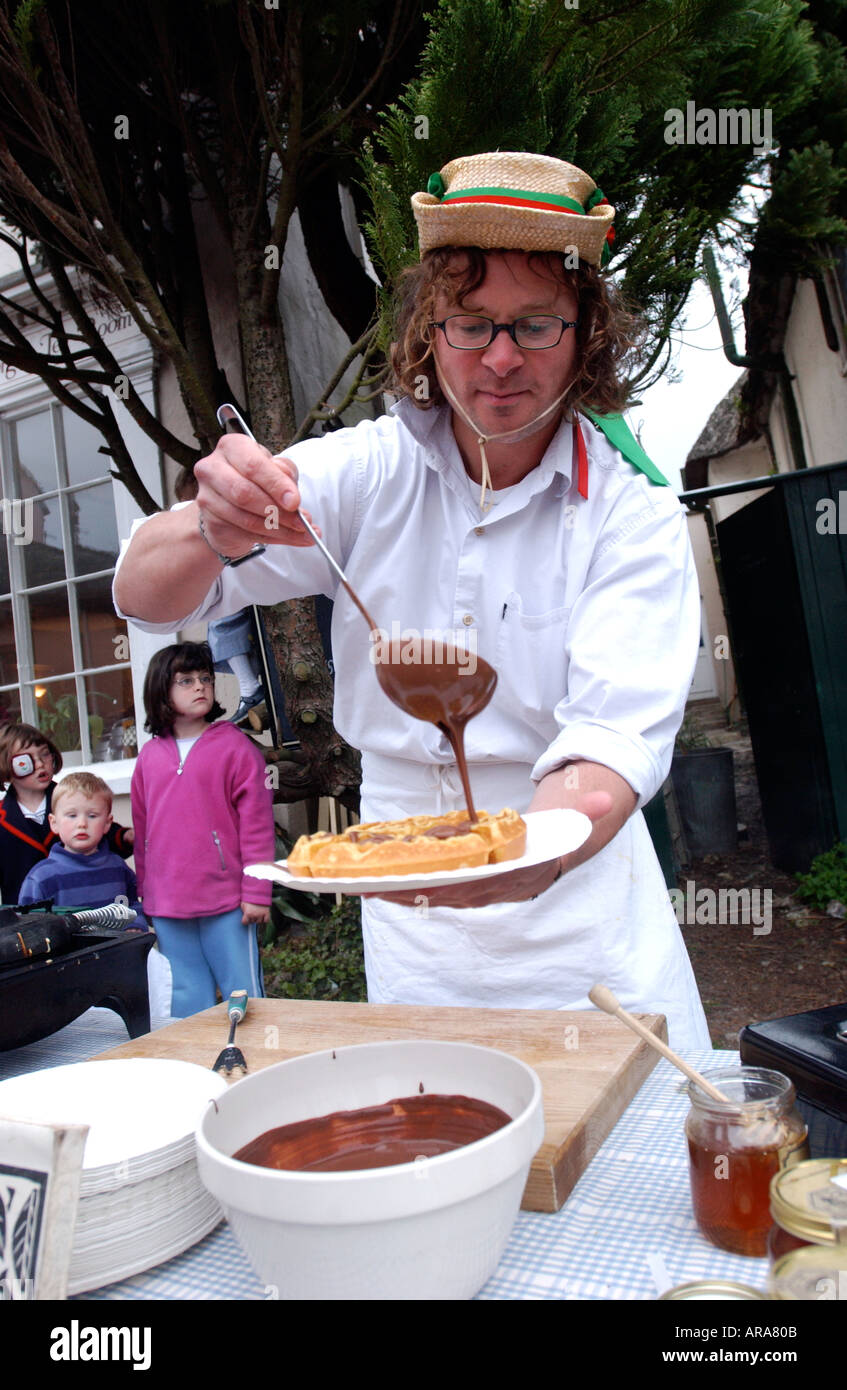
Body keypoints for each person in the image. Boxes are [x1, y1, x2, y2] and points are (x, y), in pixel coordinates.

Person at [114, 151, 710, 1049]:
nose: (501, 359)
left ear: (585, 334)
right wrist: (215, 523)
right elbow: (141, 594)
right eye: (471, 324)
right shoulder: (368, 470)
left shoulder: (630, 514)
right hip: (406, 917)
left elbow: (608, 752)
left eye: (537, 325)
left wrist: (491, 853)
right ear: (429, 333)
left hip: (587, 930)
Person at [130, 642, 275, 1016]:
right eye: (186, 680)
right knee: (184, 996)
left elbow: (257, 827)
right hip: (167, 903)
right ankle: (191, 1070)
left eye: (206, 679)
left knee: (243, 996)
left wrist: (257, 890)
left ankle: (253, 1063)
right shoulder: (149, 756)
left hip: (227, 902)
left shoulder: (236, 748)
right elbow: (143, 833)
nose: (200, 687)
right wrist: (146, 895)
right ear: (161, 691)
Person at [0, 721, 134, 905]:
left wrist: (125, 836)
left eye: (45, 754)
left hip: (78, 903)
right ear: (6, 765)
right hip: (25, 919)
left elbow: (99, 829)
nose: (40, 764)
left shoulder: (71, 796)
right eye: (26, 760)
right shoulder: (2, 819)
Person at [17, 771, 145, 923]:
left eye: (92, 815)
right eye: (72, 815)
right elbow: (29, 928)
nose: (82, 824)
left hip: (117, 946)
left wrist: (135, 924)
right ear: (54, 823)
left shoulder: (118, 868)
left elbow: (133, 906)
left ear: (107, 823)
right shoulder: (41, 878)